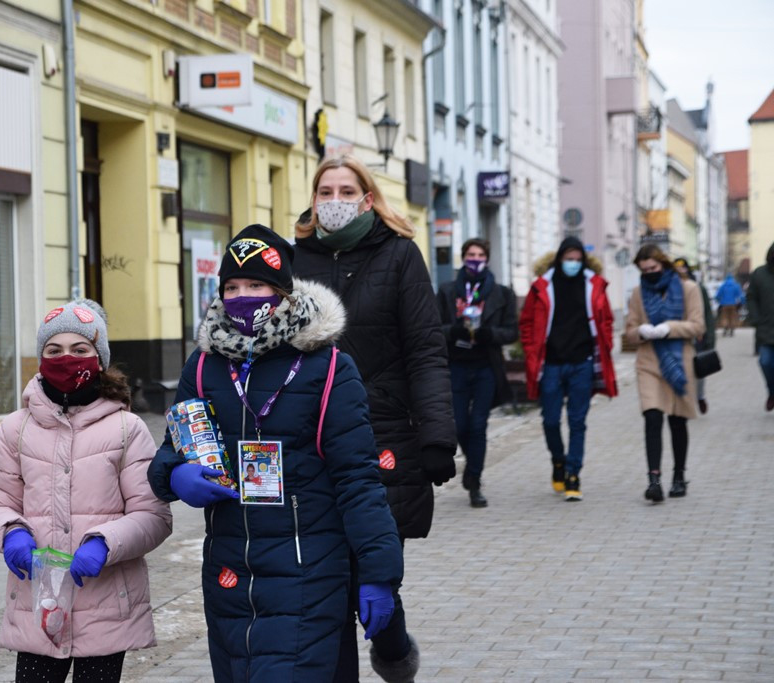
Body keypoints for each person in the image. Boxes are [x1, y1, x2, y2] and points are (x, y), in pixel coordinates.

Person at [148, 224, 404, 683]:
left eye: (256, 285)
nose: (242, 296)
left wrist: (380, 572)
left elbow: (357, 480)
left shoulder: (327, 368)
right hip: (230, 575)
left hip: (308, 571)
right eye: (232, 286)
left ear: (283, 291)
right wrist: (175, 476)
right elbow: (173, 448)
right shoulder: (204, 366)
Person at [293, 155, 455, 681]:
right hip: (309, 434)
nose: (333, 201)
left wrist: (437, 435)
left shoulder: (400, 256)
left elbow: (426, 351)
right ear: (313, 199)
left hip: (381, 433)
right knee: (326, 582)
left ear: (367, 198)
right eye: (324, 191)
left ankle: (390, 645)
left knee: (373, 568)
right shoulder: (293, 260)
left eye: (346, 190)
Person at [0, 300, 173, 683]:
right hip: (38, 604)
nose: (66, 358)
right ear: (41, 358)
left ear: (98, 359)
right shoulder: (14, 430)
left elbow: (154, 516)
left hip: (105, 606)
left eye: (80, 350)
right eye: (54, 350)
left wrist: (106, 542)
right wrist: (9, 531)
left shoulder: (126, 429)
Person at [519, 236, 617, 501]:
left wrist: (605, 341)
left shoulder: (593, 285)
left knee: (577, 421)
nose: (573, 264)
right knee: (550, 420)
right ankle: (558, 461)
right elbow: (526, 322)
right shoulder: (542, 286)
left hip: (582, 362)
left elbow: (606, 318)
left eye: (577, 260)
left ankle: (574, 474)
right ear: (559, 258)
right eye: (568, 259)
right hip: (551, 363)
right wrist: (531, 350)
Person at [436, 237, 518, 507]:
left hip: (486, 366)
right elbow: (434, 327)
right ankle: (473, 467)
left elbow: (511, 332)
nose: (475, 259)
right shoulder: (448, 291)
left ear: (487, 258)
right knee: (459, 423)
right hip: (457, 365)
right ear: (463, 257)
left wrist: (488, 334)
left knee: (479, 425)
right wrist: (454, 331)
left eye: (480, 254)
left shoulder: (501, 293)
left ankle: (475, 481)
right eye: (470, 254)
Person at [623, 245, 705, 502]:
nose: (649, 273)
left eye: (653, 269)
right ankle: (654, 479)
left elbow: (697, 326)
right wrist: (642, 332)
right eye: (644, 270)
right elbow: (629, 330)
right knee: (652, 418)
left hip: (679, 361)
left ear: (664, 265)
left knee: (677, 421)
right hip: (648, 362)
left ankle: (679, 476)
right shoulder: (638, 293)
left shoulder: (688, 288)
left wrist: (667, 328)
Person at [673, 257, 717, 414]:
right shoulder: (670, 288)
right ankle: (684, 400)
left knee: (699, 369)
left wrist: (710, 337)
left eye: (683, 268)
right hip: (677, 335)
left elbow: (707, 314)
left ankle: (700, 396)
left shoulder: (698, 288)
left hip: (697, 335)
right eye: (677, 269)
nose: (680, 271)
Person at [745, 241, 774, 411]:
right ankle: (772, 391)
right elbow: (751, 297)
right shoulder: (759, 274)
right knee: (766, 362)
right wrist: (755, 318)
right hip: (765, 329)